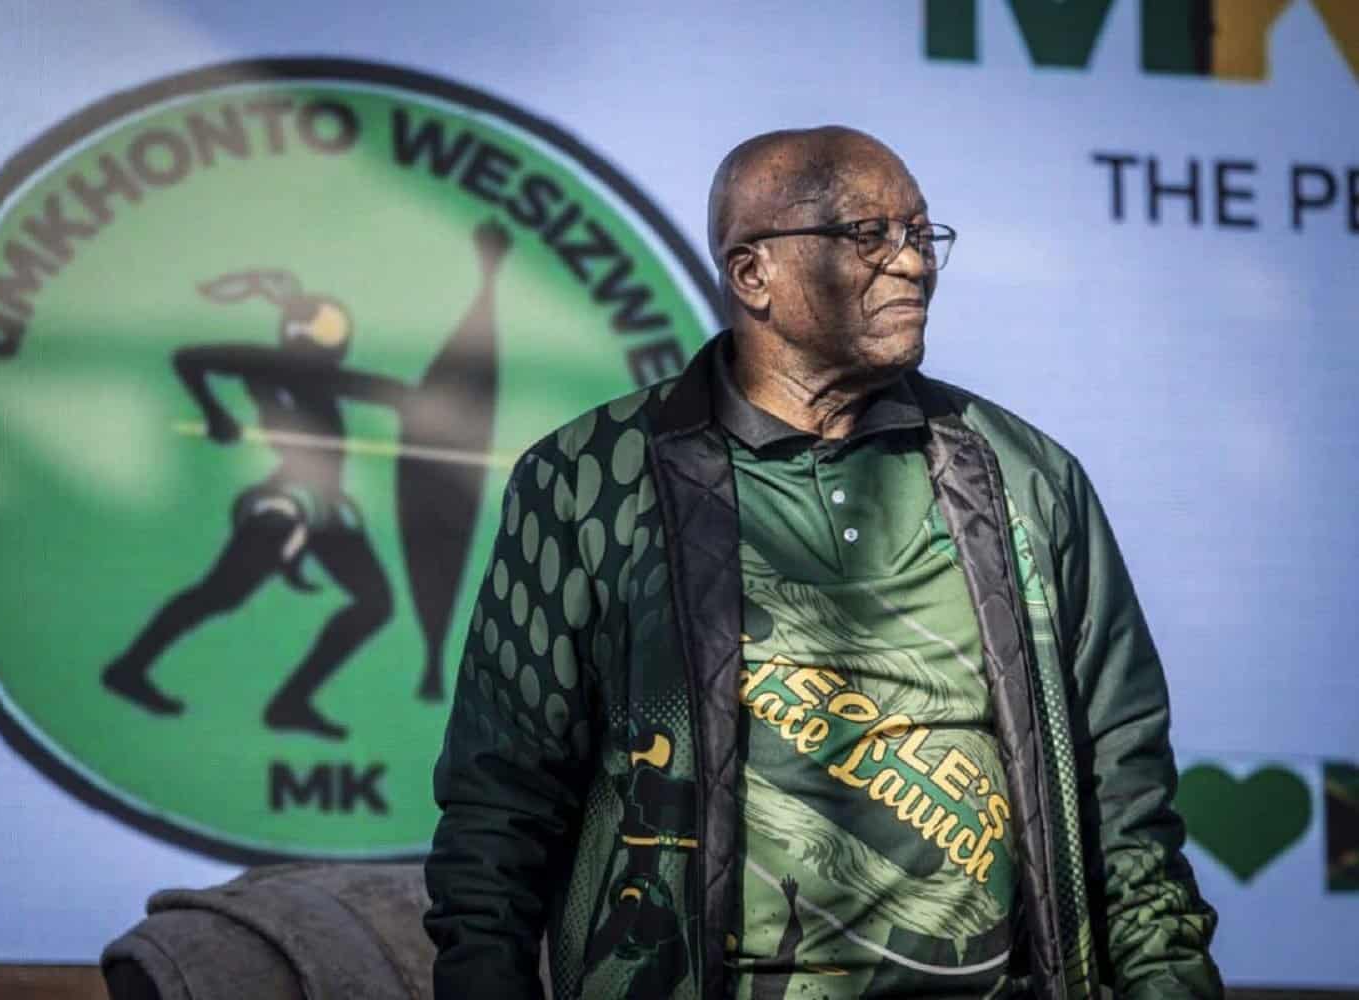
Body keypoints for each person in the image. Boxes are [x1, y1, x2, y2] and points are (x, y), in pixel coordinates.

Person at [423, 127, 1221, 1000]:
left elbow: (1127, 801)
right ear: (752, 274)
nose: (911, 264)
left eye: (920, 234)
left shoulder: (1027, 479)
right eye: (866, 235)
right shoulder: (589, 480)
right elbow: (500, 807)